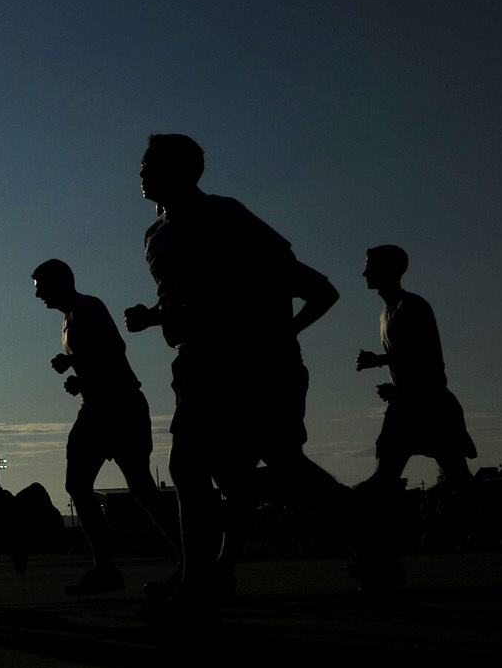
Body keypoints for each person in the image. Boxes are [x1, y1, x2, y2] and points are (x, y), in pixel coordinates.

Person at [122, 133, 355, 611]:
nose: (141, 174)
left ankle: (368, 537)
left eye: (151, 165)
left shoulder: (222, 215)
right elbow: (191, 299)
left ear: (184, 172)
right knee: (210, 472)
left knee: (277, 467)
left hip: (250, 364)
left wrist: (279, 334)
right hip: (197, 363)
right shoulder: (155, 233)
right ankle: (202, 575)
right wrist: (155, 315)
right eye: (142, 166)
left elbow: (306, 285)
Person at [32, 258, 179, 596]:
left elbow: (114, 348)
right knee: (79, 484)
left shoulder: (88, 307)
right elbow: (104, 362)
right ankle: (106, 567)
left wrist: (74, 361)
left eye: (41, 288)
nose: (38, 296)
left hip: (121, 407)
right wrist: (81, 382)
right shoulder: (71, 318)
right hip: (98, 408)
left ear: (59, 283)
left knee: (141, 488)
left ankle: (188, 561)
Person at [356, 245, 476, 488]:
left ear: (390, 270)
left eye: (369, 267)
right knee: (386, 477)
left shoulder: (411, 306)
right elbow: (414, 360)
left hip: (430, 405)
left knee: (458, 480)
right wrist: (395, 386)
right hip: (409, 403)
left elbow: (423, 355)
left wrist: (378, 360)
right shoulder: (388, 311)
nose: (364, 274)